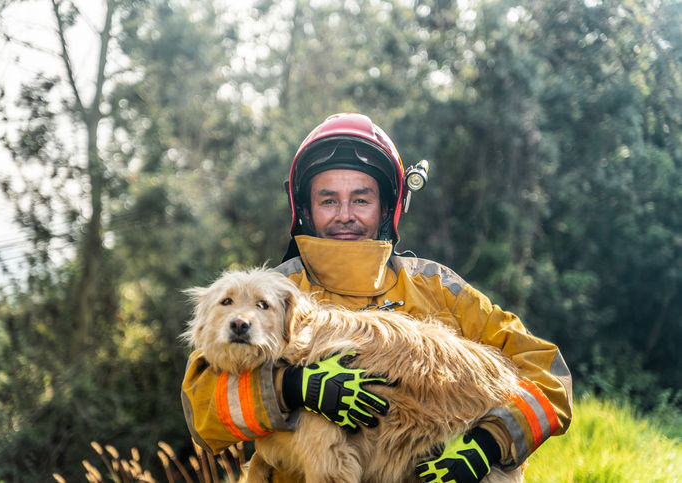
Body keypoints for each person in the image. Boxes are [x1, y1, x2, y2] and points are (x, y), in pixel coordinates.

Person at [181, 113, 573, 483]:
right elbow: (202, 409)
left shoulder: (437, 287)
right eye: (329, 200)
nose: (345, 214)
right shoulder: (273, 292)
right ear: (305, 208)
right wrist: (289, 386)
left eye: (361, 199)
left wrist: (489, 444)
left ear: (388, 207)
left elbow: (548, 374)